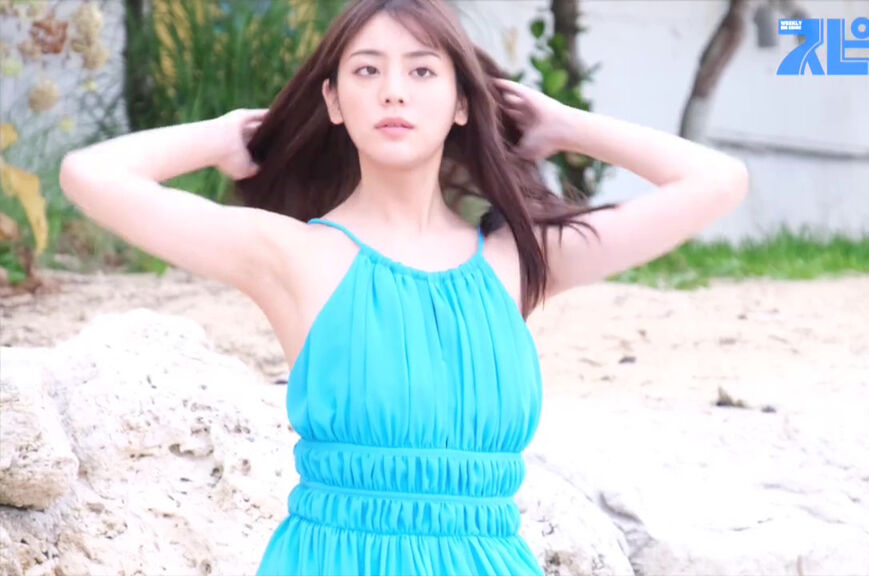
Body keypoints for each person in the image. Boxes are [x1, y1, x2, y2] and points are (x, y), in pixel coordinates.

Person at [58, 0, 748, 573]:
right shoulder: (294, 256)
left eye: (422, 70)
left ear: (461, 103)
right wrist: (222, 137)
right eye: (367, 70)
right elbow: (90, 176)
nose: (393, 90)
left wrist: (563, 124)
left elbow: (717, 182)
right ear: (334, 101)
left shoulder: (516, 262)